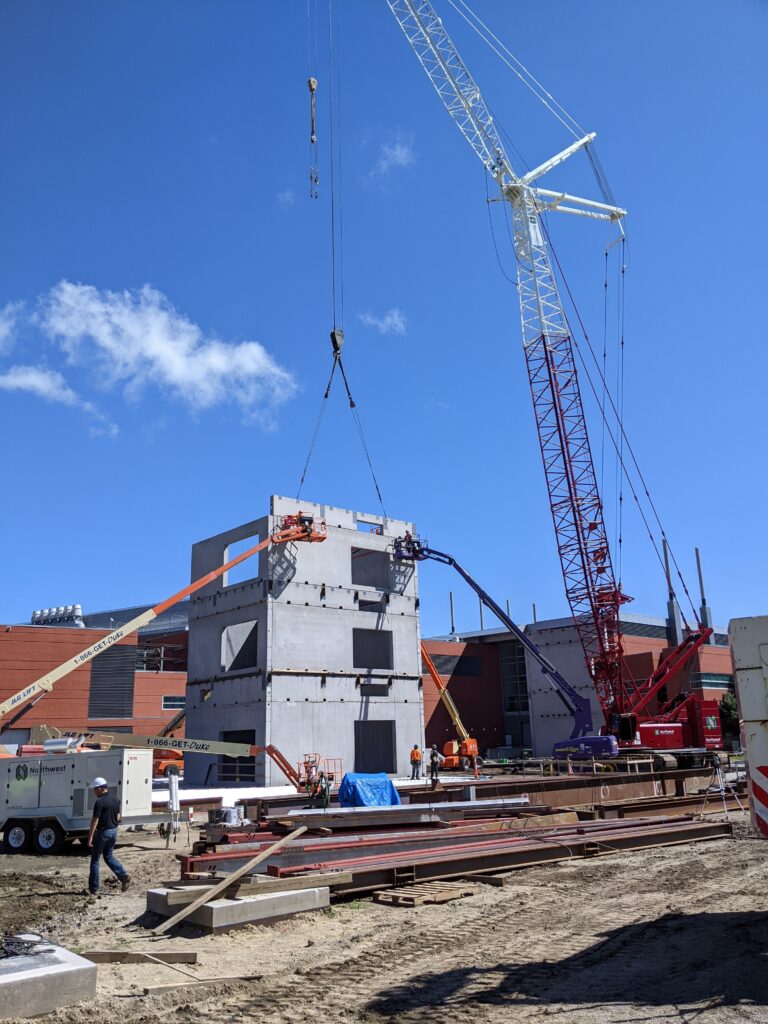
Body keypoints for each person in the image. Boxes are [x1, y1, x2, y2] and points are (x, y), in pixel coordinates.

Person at [87, 777, 131, 896]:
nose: (94, 792)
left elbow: (95, 821)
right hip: (113, 831)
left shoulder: (99, 802)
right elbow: (118, 817)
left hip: (102, 832)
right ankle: (123, 876)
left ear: (101, 788)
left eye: (95, 789)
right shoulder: (116, 800)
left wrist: (90, 837)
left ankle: (94, 889)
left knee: (95, 860)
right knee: (109, 856)